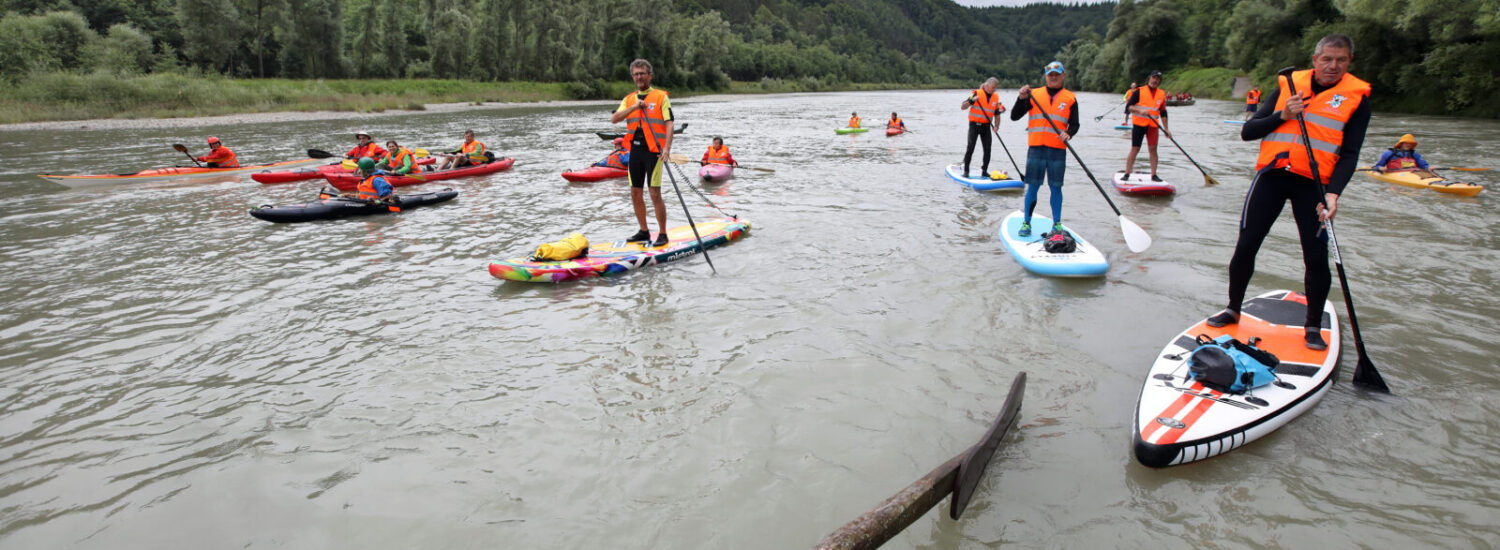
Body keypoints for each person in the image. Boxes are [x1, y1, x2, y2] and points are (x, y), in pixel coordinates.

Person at [1207, 33, 1372, 351]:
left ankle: (1312, 326)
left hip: (1315, 185)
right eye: (1327, 59)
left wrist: (1334, 194)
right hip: (1272, 176)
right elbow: (1248, 132)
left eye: (1340, 60)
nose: (1333, 66)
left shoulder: (1357, 99)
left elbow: (1350, 153)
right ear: (1315, 60)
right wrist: (1283, 115)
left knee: (1315, 256)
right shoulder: (1288, 87)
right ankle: (1232, 308)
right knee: (1246, 245)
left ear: (1349, 62)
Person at [609, 58, 675, 247]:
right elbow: (614, 119)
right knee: (635, 192)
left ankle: (662, 233)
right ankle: (644, 231)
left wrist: (667, 148)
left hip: (654, 151)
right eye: (636, 74)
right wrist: (634, 107)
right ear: (633, 77)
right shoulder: (629, 99)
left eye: (642, 73)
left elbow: (669, 123)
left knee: (654, 193)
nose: (639, 77)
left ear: (649, 75)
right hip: (635, 151)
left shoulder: (661, 96)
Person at [1010, 61, 1079, 237]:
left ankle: (1057, 224)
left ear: (1063, 75)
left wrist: (1068, 133)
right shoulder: (1034, 95)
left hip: (1057, 149)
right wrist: (1021, 98)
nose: (1054, 77)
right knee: (1032, 187)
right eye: (1050, 74)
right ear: (1046, 76)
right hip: (1036, 148)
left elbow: (1075, 124)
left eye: (1057, 74)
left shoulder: (1070, 98)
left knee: (1056, 187)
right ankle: (1026, 222)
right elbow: (1014, 116)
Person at [1124, 70, 1172, 182]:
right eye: (1154, 78)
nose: (1155, 80)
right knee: (1135, 149)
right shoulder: (1139, 91)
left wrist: (1166, 129)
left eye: (1158, 79)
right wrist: (1140, 111)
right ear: (1149, 78)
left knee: (1153, 149)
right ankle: (1127, 173)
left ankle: (1154, 175)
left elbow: (1163, 112)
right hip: (1139, 125)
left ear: (1159, 82)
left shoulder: (1161, 93)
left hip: (1153, 126)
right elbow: (1129, 107)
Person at [960, 77, 1003, 178]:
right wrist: (972, 101)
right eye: (992, 88)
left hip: (986, 126)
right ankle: (966, 171)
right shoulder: (976, 93)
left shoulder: (996, 97)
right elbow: (963, 106)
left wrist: (996, 126)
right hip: (974, 125)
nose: (994, 90)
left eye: (995, 88)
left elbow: (997, 114)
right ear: (987, 85)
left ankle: (984, 171)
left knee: (988, 149)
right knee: (970, 148)